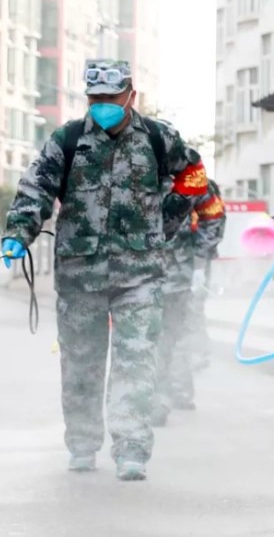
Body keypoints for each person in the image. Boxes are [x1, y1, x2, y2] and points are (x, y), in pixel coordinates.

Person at [1, 59, 207, 481]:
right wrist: (18, 232)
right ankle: (81, 442)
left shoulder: (157, 137)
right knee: (81, 363)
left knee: (136, 360)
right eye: (95, 99)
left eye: (111, 98)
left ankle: (131, 447)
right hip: (81, 276)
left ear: (131, 94)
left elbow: (193, 175)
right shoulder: (68, 140)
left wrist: (165, 220)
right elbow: (36, 187)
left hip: (141, 274)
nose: (103, 106)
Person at [152, 178, 224, 421]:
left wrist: (201, 264)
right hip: (145, 271)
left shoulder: (190, 176)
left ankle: (174, 392)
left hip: (181, 272)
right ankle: (159, 395)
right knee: (155, 334)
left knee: (176, 331)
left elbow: (214, 218)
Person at [186, 178, 225, 372]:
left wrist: (200, 263)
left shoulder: (199, 184)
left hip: (194, 258)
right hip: (171, 257)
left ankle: (198, 353)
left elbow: (214, 222)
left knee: (193, 305)